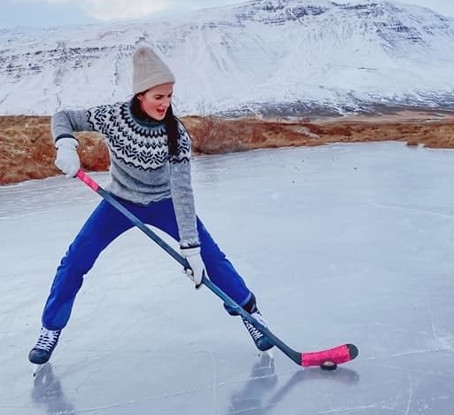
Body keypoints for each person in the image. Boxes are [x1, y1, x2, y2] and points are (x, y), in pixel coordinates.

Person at [28, 45, 274, 364]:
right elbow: (63, 117)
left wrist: (191, 247)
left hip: (164, 203)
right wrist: (66, 144)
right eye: (159, 97)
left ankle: (250, 315)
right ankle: (51, 328)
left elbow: (183, 190)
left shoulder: (175, 134)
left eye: (169, 96)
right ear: (141, 94)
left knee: (212, 257)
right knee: (76, 259)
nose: (166, 104)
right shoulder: (113, 117)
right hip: (119, 202)